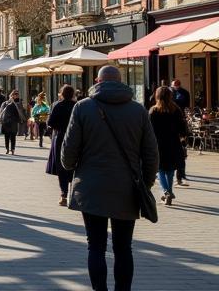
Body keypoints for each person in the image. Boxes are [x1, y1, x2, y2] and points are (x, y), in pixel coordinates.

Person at [61, 65, 159, 291]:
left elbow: (67, 154)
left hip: (91, 187)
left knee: (95, 246)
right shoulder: (138, 110)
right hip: (127, 188)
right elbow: (151, 153)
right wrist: (146, 182)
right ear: (121, 81)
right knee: (124, 247)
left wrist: (73, 168)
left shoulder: (83, 107)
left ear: (97, 81)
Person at [149, 86, 188, 206]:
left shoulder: (153, 111)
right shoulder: (175, 109)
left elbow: (148, 129)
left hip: (158, 144)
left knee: (160, 169)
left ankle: (166, 191)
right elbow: (183, 126)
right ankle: (169, 191)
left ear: (157, 96)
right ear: (170, 96)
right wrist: (183, 138)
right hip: (173, 143)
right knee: (170, 169)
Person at [46, 85, 78, 206]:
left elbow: (51, 123)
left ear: (62, 94)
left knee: (61, 167)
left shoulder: (58, 105)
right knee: (75, 166)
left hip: (60, 138)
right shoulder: (77, 105)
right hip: (76, 138)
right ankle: (73, 193)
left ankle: (64, 194)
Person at [170, 79, 190, 186]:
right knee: (180, 153)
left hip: (176, 130)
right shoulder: (171, 94)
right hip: (175, 130)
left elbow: (186, 105)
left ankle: (180, 175)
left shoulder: (184, 93)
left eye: (175, 86)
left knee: (181, 152)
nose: (174, 88)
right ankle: (179, 175)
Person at [0, 89, 26, 155]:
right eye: (14, 94)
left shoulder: (19, 103)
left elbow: (21, 111)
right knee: (6, 136)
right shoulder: (5, 103)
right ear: (11, 95)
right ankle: (7, 148)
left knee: (13, 136)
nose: (16, 95)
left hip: (14, 122)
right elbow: (1, 111)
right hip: (6, 122)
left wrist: (14, 103)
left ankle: (12, 149)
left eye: (17, 94)